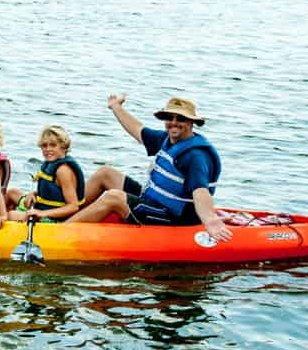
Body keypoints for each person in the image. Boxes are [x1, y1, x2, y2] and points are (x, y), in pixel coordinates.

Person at [66, 94, 232, 242]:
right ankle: (65, 213)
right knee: (106, 173)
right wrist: (116, 107)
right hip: (154, 201)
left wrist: (209, 219)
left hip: (176, 217)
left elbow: (200, 192)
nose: (173, 123)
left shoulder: (196, 156)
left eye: (180, 118)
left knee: (114, 197)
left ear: (191, 123)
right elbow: (137, 130)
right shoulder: (167, 139)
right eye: (169, 117)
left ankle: (59, 232)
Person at [7, 125, 85, 223]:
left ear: (64, 147)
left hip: (53, 218)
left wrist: (42, 213)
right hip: (41, 207)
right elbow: (53, 193)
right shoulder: (50, 164)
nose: (47, 149)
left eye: (53, 145)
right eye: (44, 146)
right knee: (12, 193)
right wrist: (34, 194)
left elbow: (73, 207)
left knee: (11, 214)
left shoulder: (63, 171)